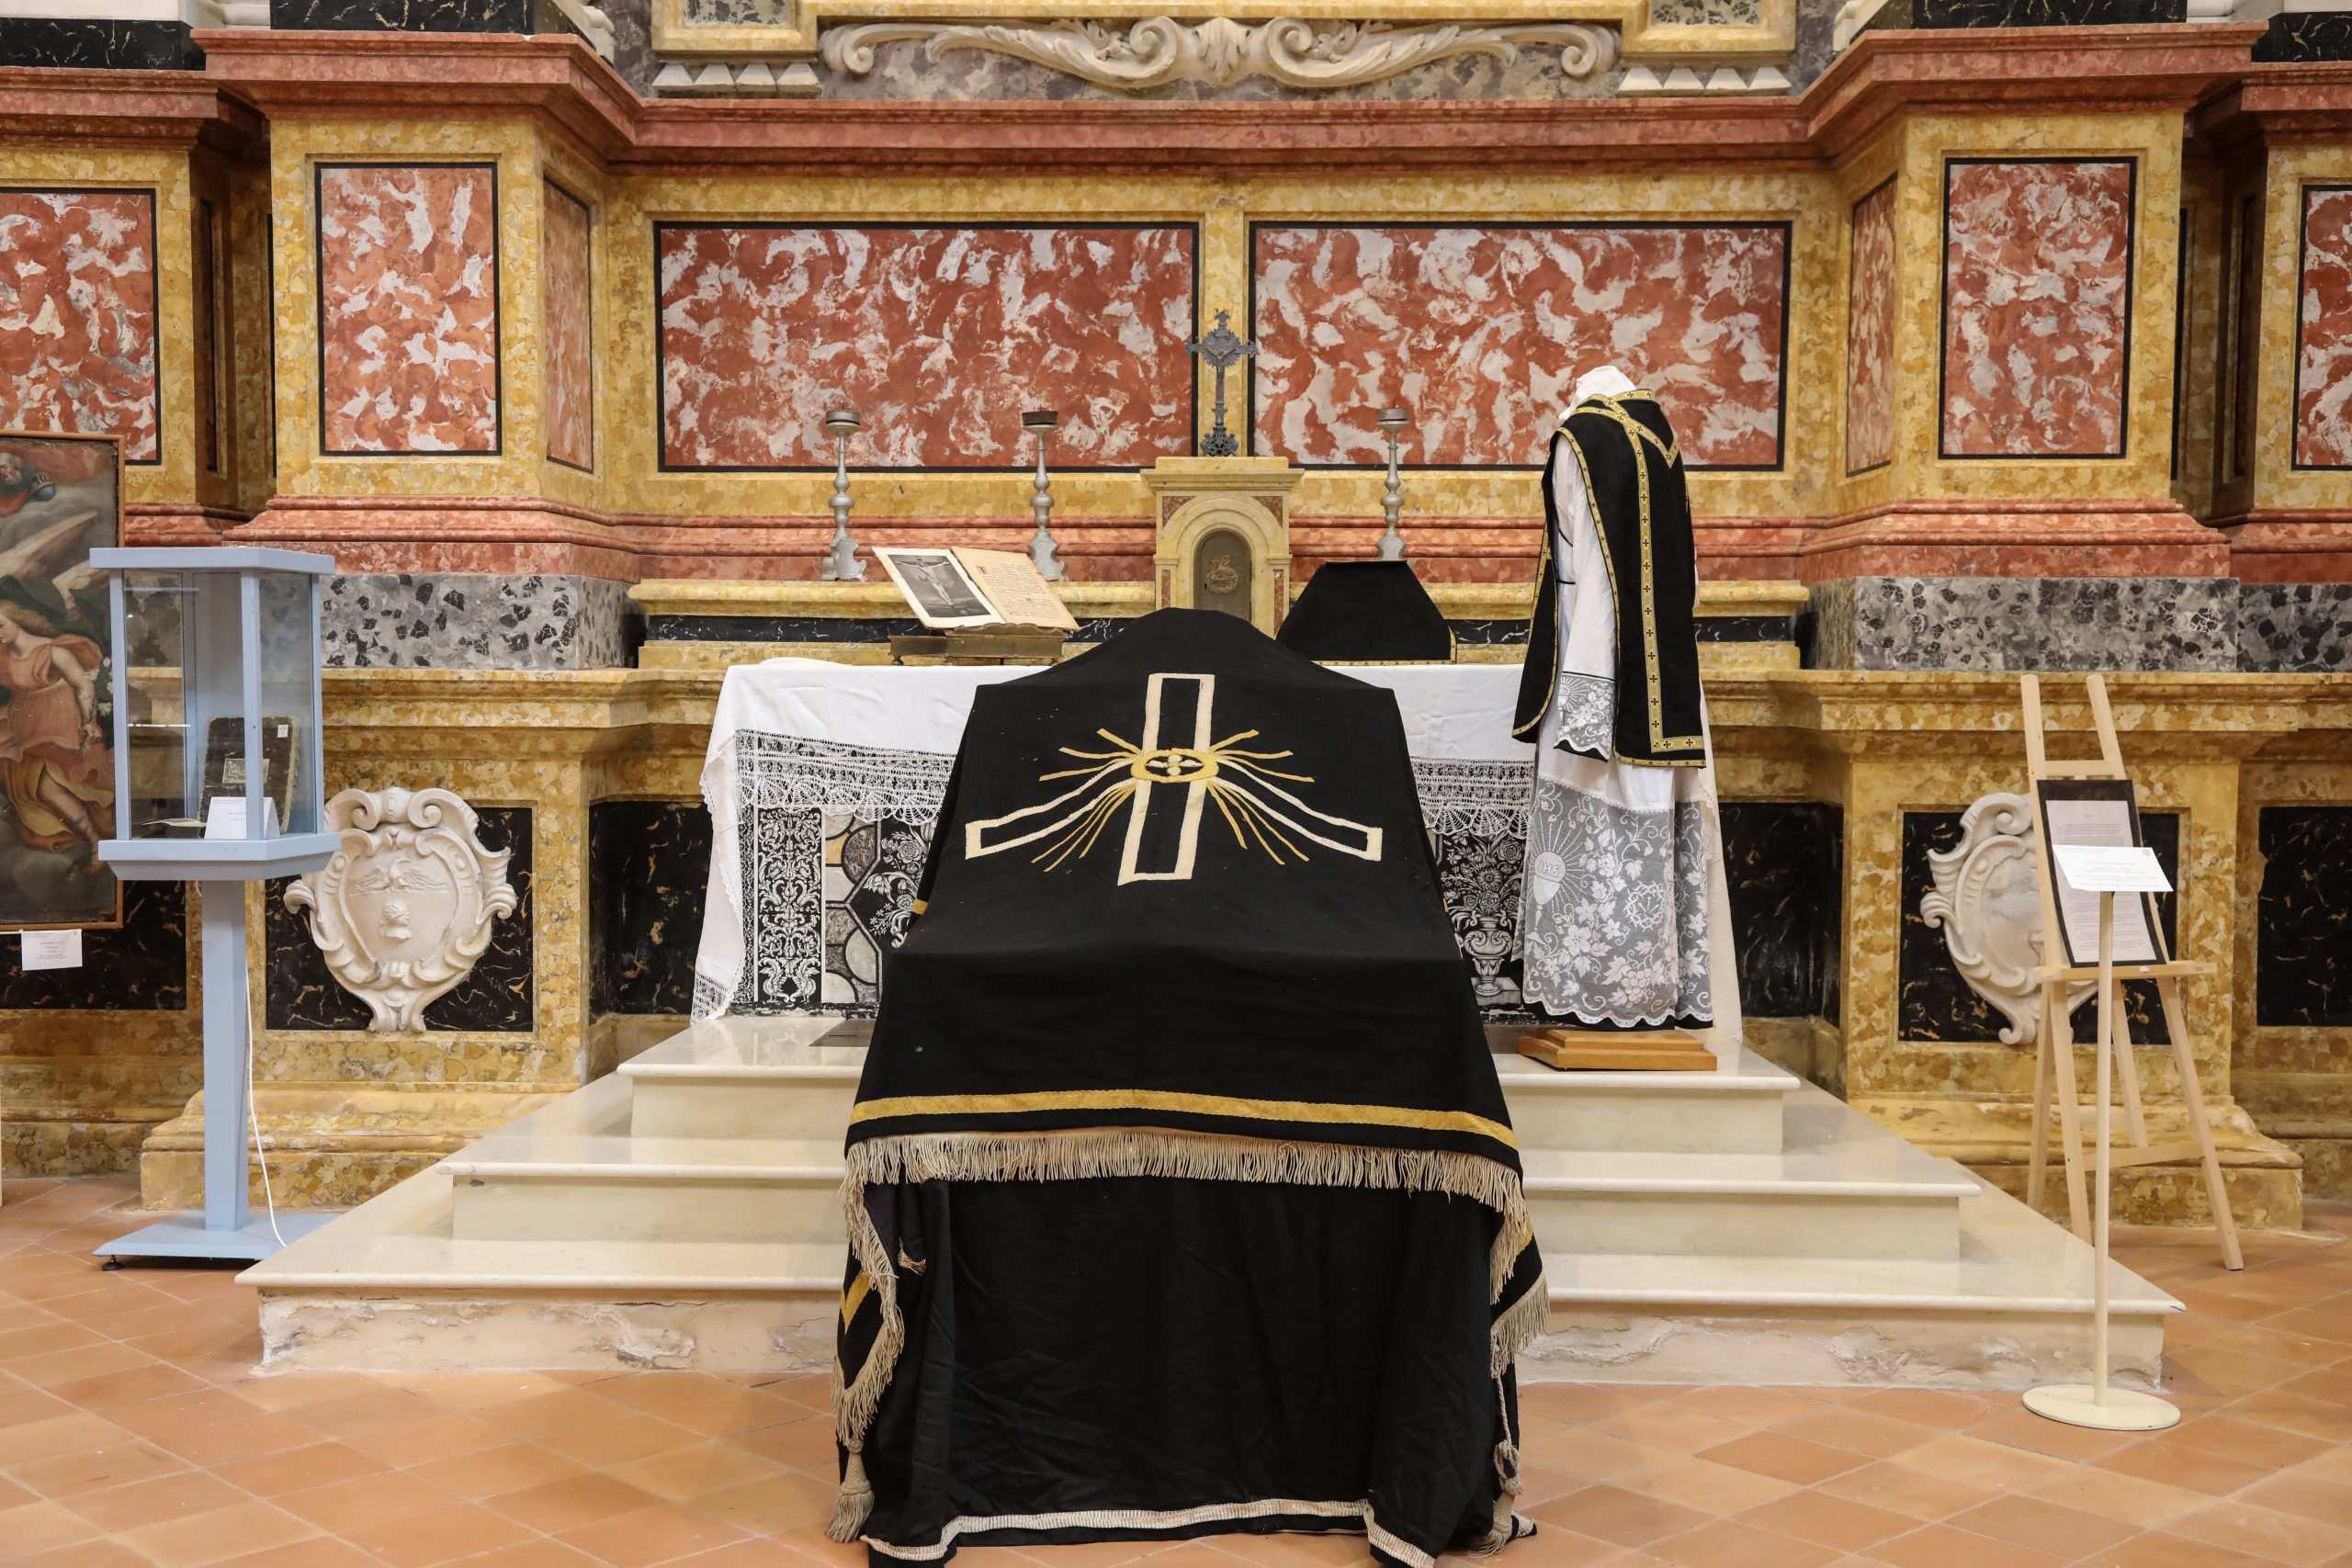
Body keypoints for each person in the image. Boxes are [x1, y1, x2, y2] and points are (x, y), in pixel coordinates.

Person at [0, 599, 113, 872]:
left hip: (58, 718)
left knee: (45, 784)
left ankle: (95, 840)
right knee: (29, 786)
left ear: (17, 622)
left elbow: (83, 686)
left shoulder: (52, 651)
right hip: (21, 722)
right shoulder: (2, 655)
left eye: (1, 625)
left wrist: (89, 721)